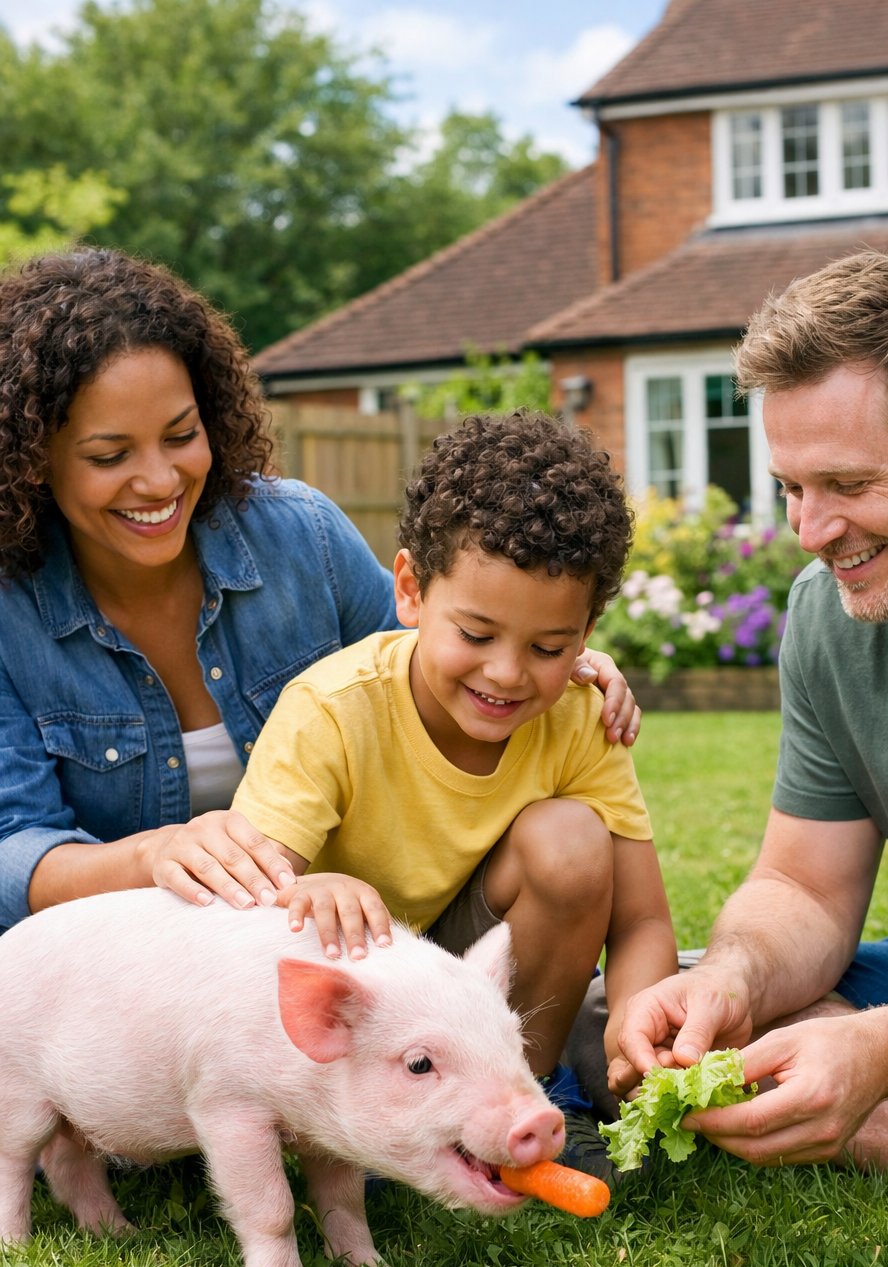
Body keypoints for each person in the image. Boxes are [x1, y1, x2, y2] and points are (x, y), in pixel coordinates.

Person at [0, 247, 639, 933]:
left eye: (181, 435)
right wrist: (154, 854)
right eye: (110, 456)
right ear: (32, 457)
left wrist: (553, 662)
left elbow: (430, 681)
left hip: (344, 939)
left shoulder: (300, 537)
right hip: (134, 964)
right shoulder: (14, 614)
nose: (159, 481)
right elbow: (14, 854)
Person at [610, 251, 888, 1207]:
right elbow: (803, 883)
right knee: (732, 1030)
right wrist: (737, 976)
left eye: (844, 482)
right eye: (792, 487)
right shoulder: (832, 615)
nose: (809, 528)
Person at [232, 410, 679, 1177]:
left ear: (586, 632)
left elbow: (640, 922)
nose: (506, 673)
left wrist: (640, 1036)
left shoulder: (579, 717)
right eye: (475, 634)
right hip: (365, 983)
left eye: (547, 647)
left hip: (480, 966)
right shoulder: (333, 710)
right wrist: (309, 885)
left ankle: (523, 1104)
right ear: (409, 589)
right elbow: (238, 916)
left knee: (570, 841)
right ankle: (372, 1126)